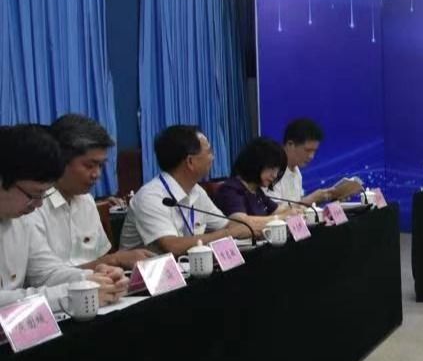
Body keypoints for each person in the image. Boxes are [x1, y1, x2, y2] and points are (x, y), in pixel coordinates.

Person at [0, 124, 126, 311]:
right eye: (34, 194)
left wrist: (91, 278)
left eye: (44, 195)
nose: (39, 204)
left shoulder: (20, 218)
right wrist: (73, 295)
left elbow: (45, 272)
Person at [28, 114, 151, 269]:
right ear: (60, 161)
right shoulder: (32, 205)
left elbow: (100, 259)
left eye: (101, 166)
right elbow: (42, 277)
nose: (97, 174)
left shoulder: (86, 200)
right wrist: (113, 260)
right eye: (89, 165)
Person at [118, 125, 260, 254]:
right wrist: (229, 234)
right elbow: (173, 246)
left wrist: (260, 226)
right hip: (142, 273)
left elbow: (227, 225)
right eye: (209, 152)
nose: (213, 158)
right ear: (190, 162)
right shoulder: (150, 197)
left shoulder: (196, 190)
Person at [275, 118, 363, 208]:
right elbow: (275, 212)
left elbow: (297, 207)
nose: (311, 156)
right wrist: (313, 198)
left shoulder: (296, 171)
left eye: (314, 151)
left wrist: (327, 198)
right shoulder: (273, 170)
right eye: (308, 150)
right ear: (290, 145)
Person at [213, 137, 294, 226]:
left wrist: (296, 210)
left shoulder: (256, 190)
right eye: (272, 168)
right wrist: (279, 218)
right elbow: (241, 222)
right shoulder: (230, 189)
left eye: (277, 171)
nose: (275, 175)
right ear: (256, 162)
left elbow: (278, 210)